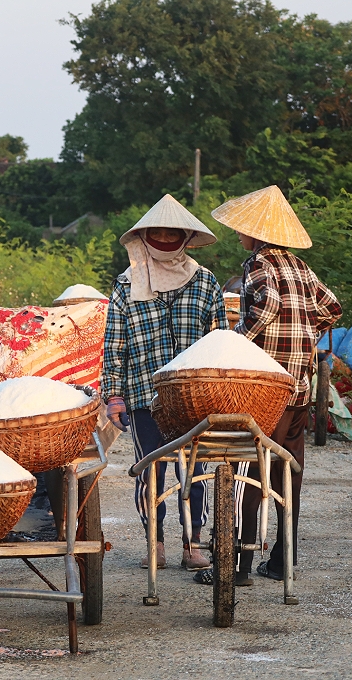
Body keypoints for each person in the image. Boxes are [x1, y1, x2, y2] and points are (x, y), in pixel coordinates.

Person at [209, 185, 341, 585]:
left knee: (251, 468)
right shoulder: (301, 267)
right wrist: (304, 336)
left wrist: (235, 342)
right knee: (289, 470)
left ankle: (239, 567)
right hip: (300, 386)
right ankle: (284, 560)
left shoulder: (258, 264)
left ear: (255, 234)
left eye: (241, 230)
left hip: (266, 388)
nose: (238, 235)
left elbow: (265, 307)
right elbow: (331, 308)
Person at [101, 194, 228, 571]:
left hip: (194, 397)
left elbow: (219, 340)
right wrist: (114, 396)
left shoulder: (205, 282)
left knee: (195, 472)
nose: (165, 238)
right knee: (149, 470)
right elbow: (114, 344)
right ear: (144, 236)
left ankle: (193, 544)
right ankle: (154, 543)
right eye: (157, 232)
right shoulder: (126, 285)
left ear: (186, 237)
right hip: (143, 394)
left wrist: (221, 389)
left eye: (172, 232)